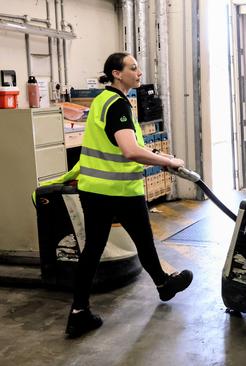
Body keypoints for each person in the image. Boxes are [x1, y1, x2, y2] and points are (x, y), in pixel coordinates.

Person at [65, 52, 193, 338]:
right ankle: (163, 285)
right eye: (133, 68)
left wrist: (160, 155)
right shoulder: (119, 106)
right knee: (144, 242)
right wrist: (168, 162)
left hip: (94, 189)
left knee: (93, 249)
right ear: (116, 74)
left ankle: (79, 312)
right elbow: (130, 151)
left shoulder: (102, 100)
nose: (139, 73)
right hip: (119, 191)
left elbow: (118, 146)